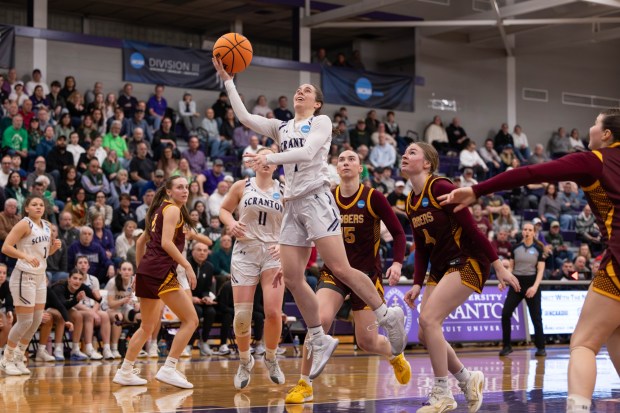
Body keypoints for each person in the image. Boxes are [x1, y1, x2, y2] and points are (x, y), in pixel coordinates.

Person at [214, 57, 406, 380]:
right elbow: (245, 117)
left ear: (316, 103)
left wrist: (269, 156)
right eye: (297, 89)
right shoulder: (281, 126)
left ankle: (387, 315)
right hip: (292, 205)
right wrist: (228, 80)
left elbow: (306, 153)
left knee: (341, 268)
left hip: (317, 199)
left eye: (307, 90)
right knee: (291, 277)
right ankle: (319, 337)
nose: (300, 92)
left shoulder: (321, 123)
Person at [438, 108, 620, 413]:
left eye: (595, 123)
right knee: (614, 332)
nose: (589, 127)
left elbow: (532, 173)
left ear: (606, 135)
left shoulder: (594, 160)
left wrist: (477, 190)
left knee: (584, 344)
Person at [399, 142, 520, 413]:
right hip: (441, 267)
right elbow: (421, 248)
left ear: (427, 163)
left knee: (430, 320)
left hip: (468, 260)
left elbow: (474, 230)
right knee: (425, 330)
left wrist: (498, 266)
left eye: (412, 152)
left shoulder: (441, 187)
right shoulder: (410, 201)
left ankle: (442, 392)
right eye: (405, 152)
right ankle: (467, 379)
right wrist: (417, 283)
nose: (405, 156)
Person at [286, 150, 411, 404]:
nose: (345, 162)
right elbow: (306, 234)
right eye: (341, 159)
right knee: (317, 321)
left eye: (351, 159)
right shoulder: (327, 198)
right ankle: (304, 383)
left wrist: (397, 262)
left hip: (365, 276)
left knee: (366, 341)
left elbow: (399, 233)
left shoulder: (373, 197)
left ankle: (395, 355)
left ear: (360, 168)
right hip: (334, 273)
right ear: (336, 167)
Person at [113, 176, 198, 389]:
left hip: (148, 271)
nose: (185, 191)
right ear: (169, 191)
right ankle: (169, 368)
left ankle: (125, 371)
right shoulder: (172, 210)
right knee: (191, 320)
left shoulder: (158, 210)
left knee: (146, 326)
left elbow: (141, 241)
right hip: (160, 272)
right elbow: (166, 243)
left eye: (186, 187)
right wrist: (187, 265)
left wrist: (140, 271)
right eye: (179, 187)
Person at [218, 147, 286, 389]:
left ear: (276, 164)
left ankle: (271, 356)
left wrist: (284, 245)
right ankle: (245, 361)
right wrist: (232, 223)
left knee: (273, 312)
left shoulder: (285, 190)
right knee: (242, 316)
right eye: (261, 157)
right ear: (254, 163)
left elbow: (296, 222)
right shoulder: (241, 186)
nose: (266, 161)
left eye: (270, 158)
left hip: (273, 252)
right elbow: (224, 210)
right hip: (246, 251)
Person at [0, 196, 61, 375]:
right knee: (25, 320)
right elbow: (6, 247)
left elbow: (43, 254)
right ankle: (6, 359)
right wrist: (24, 256)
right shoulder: (24, 224)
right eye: (34, 204)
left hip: (40, 277)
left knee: (35, 321)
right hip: (23, 276)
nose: (38, 207)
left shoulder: (48, 226)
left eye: (41, 205)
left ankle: (19, 357)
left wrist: (53, 250)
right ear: (26, 208)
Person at [499, 222, 546, 357]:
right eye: (525, 229)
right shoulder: (515, 248)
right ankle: (507, 346)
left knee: (536, 317)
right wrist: (504, 281)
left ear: (533, 233)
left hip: (532, 284)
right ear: (522, 231)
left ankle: (541, 348)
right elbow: (511, 268)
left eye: (529, 230)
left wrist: (535, 287)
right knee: (505, 313)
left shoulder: (539, 249)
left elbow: (540, 270)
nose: (527, 232)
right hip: (516, 284)